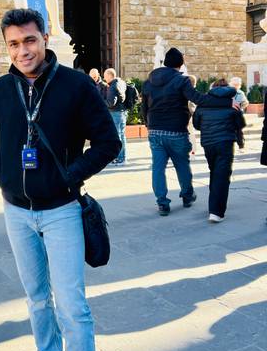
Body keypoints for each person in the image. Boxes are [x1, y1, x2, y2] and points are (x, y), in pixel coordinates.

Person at [0, 8, 120, 351]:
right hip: (16, 213)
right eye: (14, 44)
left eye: (30, 40)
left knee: (73, 306)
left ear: (45, 37)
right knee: (37, 299)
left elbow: (107, 141)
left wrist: (68, 177)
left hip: (62, 212)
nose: (23, 50)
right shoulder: (1, 90)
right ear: (7, 46)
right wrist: (1, 170)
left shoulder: (75, 85)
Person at [142, 47, 235, 215]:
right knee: (181, 164)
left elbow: (144, 108)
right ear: (181, 64)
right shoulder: (181, 80)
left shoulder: (149, 81)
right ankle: (187, 195)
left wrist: (149, 125)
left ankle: (162, 203)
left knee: (157, 167)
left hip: (155, 130)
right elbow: (198, 99)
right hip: (176, 130)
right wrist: (226, 103)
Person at [193, 79, 245, 223]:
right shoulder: (232, 103)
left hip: (208, 143)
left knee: (214, 172)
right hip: (225, 143)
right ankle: (216, 212)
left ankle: (213, 205)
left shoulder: (203, 103)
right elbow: (240, 124)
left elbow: (196, 125)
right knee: (222, 175)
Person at [103, 68, 127, 165]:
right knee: (121, 135)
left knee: (118, 136)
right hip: (121, 112)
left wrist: (101, 101)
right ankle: (121, 157)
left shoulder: (113, 86)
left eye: (105, 76)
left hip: (116, 113)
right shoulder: (120, 82)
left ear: (110, 76)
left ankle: (121, 158)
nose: (104, 78)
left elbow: (111, 103)